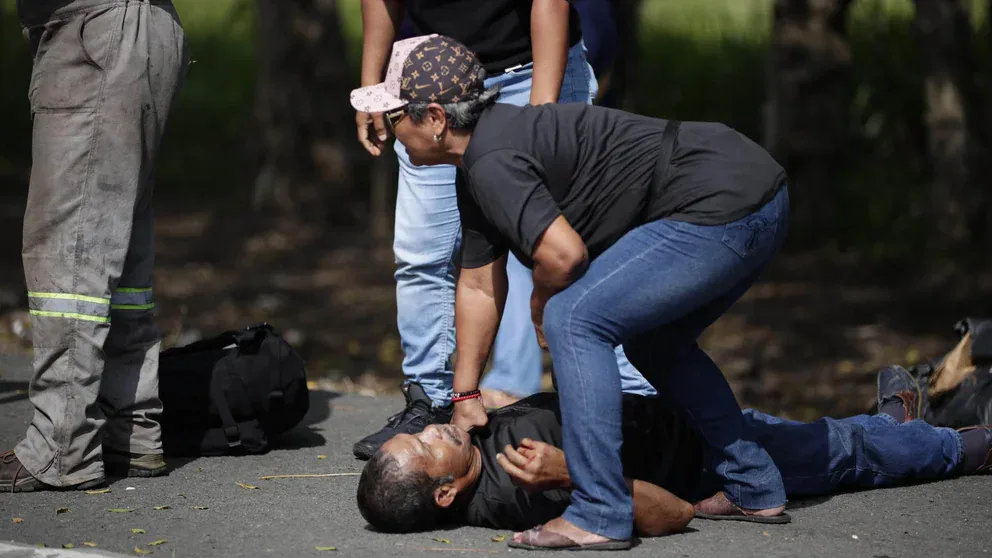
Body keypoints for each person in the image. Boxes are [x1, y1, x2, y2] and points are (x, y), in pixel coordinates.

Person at [349, 35, 792, 548]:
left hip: (723, 205)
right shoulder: (476, 166)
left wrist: (541, 304)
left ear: (435, 117)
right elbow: (476, 283)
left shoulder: (492, 162)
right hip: (752, 190)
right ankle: (752, 484)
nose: (390, 127)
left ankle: (599, 513)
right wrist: (465, 394)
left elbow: (564, 256)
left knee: (574, 319)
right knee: (653, 343)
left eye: (395, 113)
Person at [351, 0, 657, 461]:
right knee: (422, 253)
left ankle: (635, 403)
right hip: (428, 83)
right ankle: (431, 402)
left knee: (582, 245)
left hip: (531, 72)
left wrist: (540, 121)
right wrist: (374, 85)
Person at [355, 367, 992, 548]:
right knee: (842, 451)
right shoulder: (525, 487)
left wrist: (497, 399)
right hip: (708, 458)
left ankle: (894, 427)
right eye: (426, 443)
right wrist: (576, 473)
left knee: (840, 442)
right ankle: (964, 446)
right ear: (445, 493)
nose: (434, 430)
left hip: (677, 416)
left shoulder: (472, 448)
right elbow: (674, 513)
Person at [0, 0, 188, 491]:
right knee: (116, 242)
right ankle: (129, 425)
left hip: (97, 30)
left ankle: (61, 447)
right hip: (132, 28)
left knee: (70, 248)